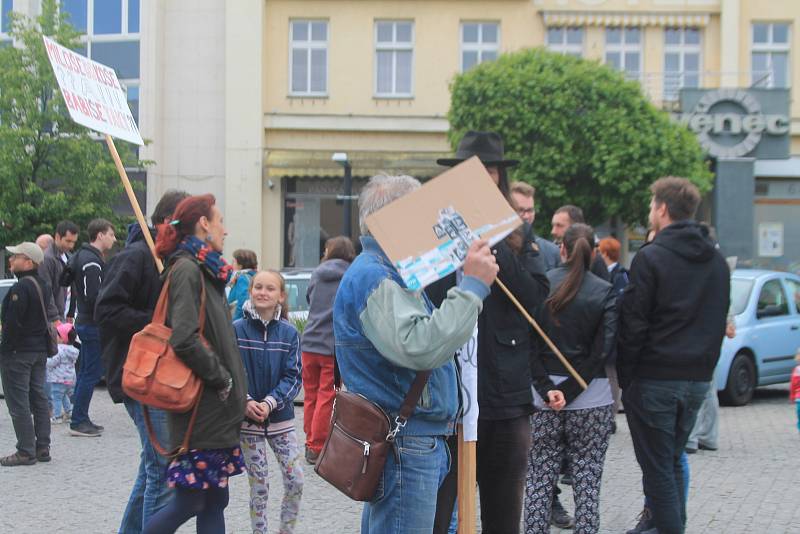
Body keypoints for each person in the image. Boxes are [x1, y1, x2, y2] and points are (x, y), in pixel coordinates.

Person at [334, 173, 498, 534]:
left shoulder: (389, 272)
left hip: (413, 438)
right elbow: (420, 346)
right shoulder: (376, 276)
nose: (430, 225)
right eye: (420, 214)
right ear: (394, 220)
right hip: (406, 442)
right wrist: (471, 287)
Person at [432, 131, 550, 534]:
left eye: (489, 172)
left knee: (502, 516)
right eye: (470, 172)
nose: (480, 178)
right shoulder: (437, 229)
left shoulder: (517, 234)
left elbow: (536, 299)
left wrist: (495, 246)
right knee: (440, 513)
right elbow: (426, 297)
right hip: (448, 395)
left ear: (499, 178)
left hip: (505, 398)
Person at [618, 177, 730, 534]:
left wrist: (627, 378)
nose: (650, 211)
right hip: (697, 379)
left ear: (663, 209)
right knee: (670, 462)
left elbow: (634, 323)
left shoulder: (650, 257)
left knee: (659, 472)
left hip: (655, 379)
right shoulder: (716, 260)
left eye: (652, 204)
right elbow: (717, 321)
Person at [142, 194, 247, 534]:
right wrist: (222, 379)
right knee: (190, 502)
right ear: (204, 223)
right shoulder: (187, 268)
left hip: (216, 413)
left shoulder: (205, 268)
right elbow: (184, 338)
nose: (225, 230)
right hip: (201, 411)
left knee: (214, 502)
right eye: (219, 221)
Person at [95, 189, 189, 533]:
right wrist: (157, 321)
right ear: (168, 223)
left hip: (162, 376)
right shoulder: (135, 257)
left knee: (153, 467)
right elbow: (106, 310)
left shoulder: (169, 259)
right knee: (162, 470)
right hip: (139, 376)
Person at [524, 223, 616, 533]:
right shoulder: (605, 292)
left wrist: (549, 389)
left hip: (542, 400)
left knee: (537, 480)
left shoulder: (542, 286)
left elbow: (529, 346)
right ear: (594, 253)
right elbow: (601, 352)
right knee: (588, 484)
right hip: (592, 399)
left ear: (561, 248)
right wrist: (571, 390)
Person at [234, 270, 304, 534]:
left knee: (296, 480)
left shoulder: (288, 333)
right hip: (248, 422)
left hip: (281, 420)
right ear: (251, 291)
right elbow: (230, 372)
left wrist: (271, 402)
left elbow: (294, 376)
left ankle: (286, 530)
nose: (263, 292)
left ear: (281, 296)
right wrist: (246, 400)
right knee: (260, 485)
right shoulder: (236, 329)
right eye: (258, 287)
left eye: (270, 288)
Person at [301, 235, 355, 464]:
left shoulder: (317, 272)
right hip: (331, 348)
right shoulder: (351, 275)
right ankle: (317, 446)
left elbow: (308, 298)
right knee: (327, 395)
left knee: (311, 395)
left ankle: (309, 439)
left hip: (309, 343)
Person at [0, 242, 52, 466]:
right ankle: (42, 447)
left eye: (16, 257)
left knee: (18, 402)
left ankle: (25, 450)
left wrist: (4, 351)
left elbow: (12, 325)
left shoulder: (21, 288)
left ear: (28, 262)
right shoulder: (43, 283)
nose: (11, 260)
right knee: (38, 397)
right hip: (38, 350)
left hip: (19, 352)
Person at [67, 218, 116, 437]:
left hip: (86, 322)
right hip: (92, 324)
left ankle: (80, 417)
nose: (114, 239)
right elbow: (93, 296)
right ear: (100, 235)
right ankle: (78, 420)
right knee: (91, 373)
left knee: (86, 372)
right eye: (111, 234)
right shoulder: (92, 262)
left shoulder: (82, 256)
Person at [597, 236, 628, 423]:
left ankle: (611, 415)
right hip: (605, 330)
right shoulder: (605, 272)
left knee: (612, 377)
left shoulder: (620, 275)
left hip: (615, 332)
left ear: (606, 253)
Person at [510, 181, 561, 270]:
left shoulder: (552, 251)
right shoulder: (496, 250)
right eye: (520, 210)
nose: (526, 216)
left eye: (530, 210)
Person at [551, 205, 609, 282]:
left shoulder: (595, 261)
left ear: (576, 227)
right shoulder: (550, 253)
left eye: (559, 226)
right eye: (553, 225)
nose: (553, 231)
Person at [38, 220, 79, 322]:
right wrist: (55, 318)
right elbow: (47, 291)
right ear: (57, 237)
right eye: (68, 241)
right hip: (54, 318)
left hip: (65, 316)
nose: (71, 246)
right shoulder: (47, 259)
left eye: (74, 242)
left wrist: (71, 312)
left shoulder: (69, 257)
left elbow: (73, 287)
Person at [47, 323, 79, 424]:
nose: (55, 337)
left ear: (63, 338)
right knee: (64, 395)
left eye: (57, 335)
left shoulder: (59, 349)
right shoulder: (73, 350)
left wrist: (45, 360)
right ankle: (69, 412)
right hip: (70, 379)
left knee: (56, 397)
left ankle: (57, 416)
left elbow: (52, 362)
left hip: (58, 378)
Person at [227, 248, 258, 321]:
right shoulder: (253, 276)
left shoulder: (242, 278)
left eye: (234, 261)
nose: (231, 264)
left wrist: (234, 322)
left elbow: (242, 303)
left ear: (240, 266)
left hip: (238, 322)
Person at [792, 348, 800, 434]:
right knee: (799, 412)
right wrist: (792, 395)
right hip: (799, 397)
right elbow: (793, 385)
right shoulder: (797, 370)